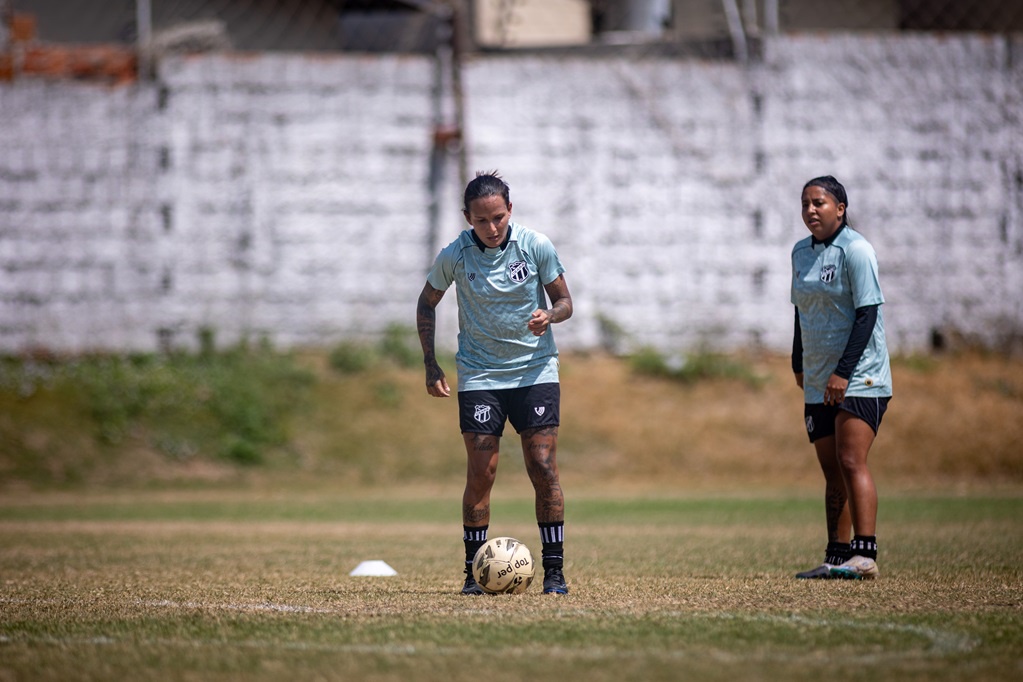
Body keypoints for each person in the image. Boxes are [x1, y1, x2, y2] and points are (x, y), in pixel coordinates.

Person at [416, 171, 573, 595]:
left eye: (499, 217)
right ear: (467, 217)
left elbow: (564, 301)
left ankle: (555, 574)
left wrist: (550, 316)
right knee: (482, 473)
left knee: (542, 468)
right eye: (481, 220)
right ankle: (472, 574)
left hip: (535, 370)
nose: (492, 228)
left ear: (510, 211)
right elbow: (427, 301)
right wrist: (431, 365)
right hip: (480, 374)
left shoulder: (535, 245)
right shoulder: (456, 255)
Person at [790, 175, 892, 580]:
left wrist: (842, 373)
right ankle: (836, 556)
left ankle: (864, 555)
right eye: (805, 204)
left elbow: (867, 314)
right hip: (818, 378)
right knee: (832, 469)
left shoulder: (857, 250)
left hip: (860, 377)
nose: (811, 210)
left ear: (840, 208)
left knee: (852, 460)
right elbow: (799, 310)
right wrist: (799, 361)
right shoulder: (800, 252)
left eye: (819, 202)